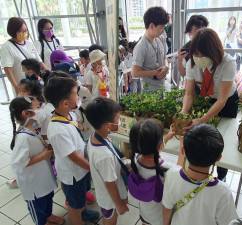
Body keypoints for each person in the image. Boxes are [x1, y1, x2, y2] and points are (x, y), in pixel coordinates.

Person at [181, 28, 238, 181]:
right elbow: (189, 93)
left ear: (213, 51)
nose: (198, 58)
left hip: (227, 102)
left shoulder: (228, 63)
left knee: (222, 138)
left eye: (202, 54)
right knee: (204, 136)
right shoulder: (192, 64)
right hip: (207, 98)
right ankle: (201, 170)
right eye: (195, 54)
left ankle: (222, 175)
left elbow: (222, 100)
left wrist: (200, 120)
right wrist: (184, 112)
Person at [44, 77, 100, 224]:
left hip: (80, 170)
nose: (79, 98)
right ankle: (78, 219)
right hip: (73, 174)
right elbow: (73, 157)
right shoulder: (57, 130)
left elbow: (74, 131)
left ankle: (84, 212)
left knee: (81, 198)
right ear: (64, 102)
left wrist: (78, 128)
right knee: (74, 205)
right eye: (76, 94)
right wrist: (92, 169)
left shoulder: (69, 114)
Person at [162, 124, 238, 225]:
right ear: (218, 158)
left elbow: (167, 208)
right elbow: (228, 222)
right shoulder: (223, 192)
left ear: (182, 150)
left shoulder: (172, 175)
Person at [9, 96, 65, 225]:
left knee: (47, 199)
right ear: (26, 113)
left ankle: (48, 216)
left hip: (42, 179)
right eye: (38, 107)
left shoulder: (33, 129)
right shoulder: (23, 138)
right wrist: (43, 156)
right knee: (38, 207)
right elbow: (17, 163)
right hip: (33, 185)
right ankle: (42, 221)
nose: (42, 110)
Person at [85, 97, 129, 225]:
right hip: (110, 200)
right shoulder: (105, 156)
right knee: (110, 220)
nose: (119, 122)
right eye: (118, 119)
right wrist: (119, 205)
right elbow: (110, 184)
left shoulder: (95, 136)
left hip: (106, 194)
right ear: (107, 126)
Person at [128, 119, 176, 225]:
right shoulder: (167, 169)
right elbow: (180, 170)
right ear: (159, 146)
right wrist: (183, 147)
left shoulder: (136, 158)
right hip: (160, 217)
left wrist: (168, 136)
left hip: (145, 212)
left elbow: (152, 149)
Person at [0, 17, 47, 96]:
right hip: (23, 87)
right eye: (21, 31)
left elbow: (39, 61)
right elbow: (7, 69)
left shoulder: (29, 43)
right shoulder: (7, 47)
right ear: (13, 31)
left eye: (25, 30)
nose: (24, 33)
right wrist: (16, 87)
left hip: (35, 85)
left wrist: (49, 73)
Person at [131, 7, 169, 92]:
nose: (163, 31)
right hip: (149, 90)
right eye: (161, 27)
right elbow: (135, 72)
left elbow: (164, 57)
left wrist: (165, 66)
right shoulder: (141, 46)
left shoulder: (161, 39)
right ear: (152, 26)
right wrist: (156, 72)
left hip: (163, 86)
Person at [53, 62, 94, 141]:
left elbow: (91, 109)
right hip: (71, 137)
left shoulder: (83, 91)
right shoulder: (56, 100)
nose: (75, 82)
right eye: (71, 80)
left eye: (75, 78)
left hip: (88, 133)